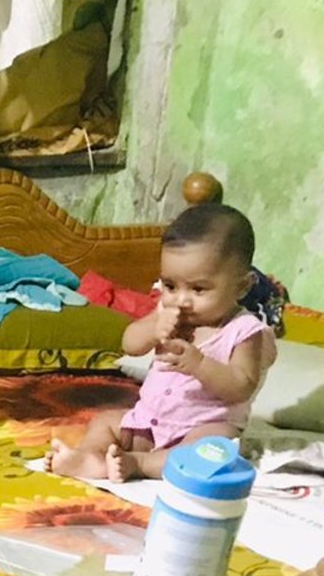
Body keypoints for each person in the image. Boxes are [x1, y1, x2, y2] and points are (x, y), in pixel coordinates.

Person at [50, 204, 277, 481]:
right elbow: (129, 344)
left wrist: (199, 364)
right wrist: (153, 328)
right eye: (170, 286)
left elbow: (241, 386)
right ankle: (89, 457)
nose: (181, 299)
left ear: (242, 286)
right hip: (148, 423)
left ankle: (140, 464)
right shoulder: (165, 313)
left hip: (202, 426)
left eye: (198, 289)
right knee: (105, 421)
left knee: (211, 448)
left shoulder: (243, 331)